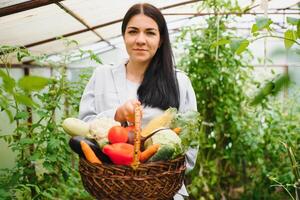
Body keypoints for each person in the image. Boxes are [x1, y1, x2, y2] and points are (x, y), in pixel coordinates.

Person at [78, 3, 197, 200]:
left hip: (162, 191)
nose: (140, 40)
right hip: (110, 188)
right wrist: (115, 115)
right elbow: (82, 128)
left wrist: (157, 177)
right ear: (124, 36)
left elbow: (190, 142)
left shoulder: (179, 82)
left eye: (150, 33)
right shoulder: (102, 76)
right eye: (133, 32)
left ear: (160, 40)